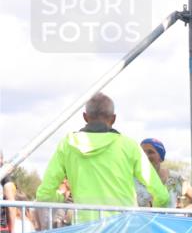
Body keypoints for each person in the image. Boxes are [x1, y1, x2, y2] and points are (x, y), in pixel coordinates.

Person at [36, 93, 168, 221]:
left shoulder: (67, 145)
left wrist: (62, 199)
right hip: (124, 230)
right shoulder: (129, 146)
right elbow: (162, 196)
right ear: (113, 118)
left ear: (85, 117)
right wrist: (152, 218)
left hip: (85, 231)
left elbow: (44, 195)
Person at [138, 138, 184, 208]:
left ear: (161, 156)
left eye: (150, 152)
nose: (146, 156)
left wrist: (184, 216)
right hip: (143, 219)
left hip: (168, 219)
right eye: (142, 153)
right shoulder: (135, 179)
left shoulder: (175, 178)